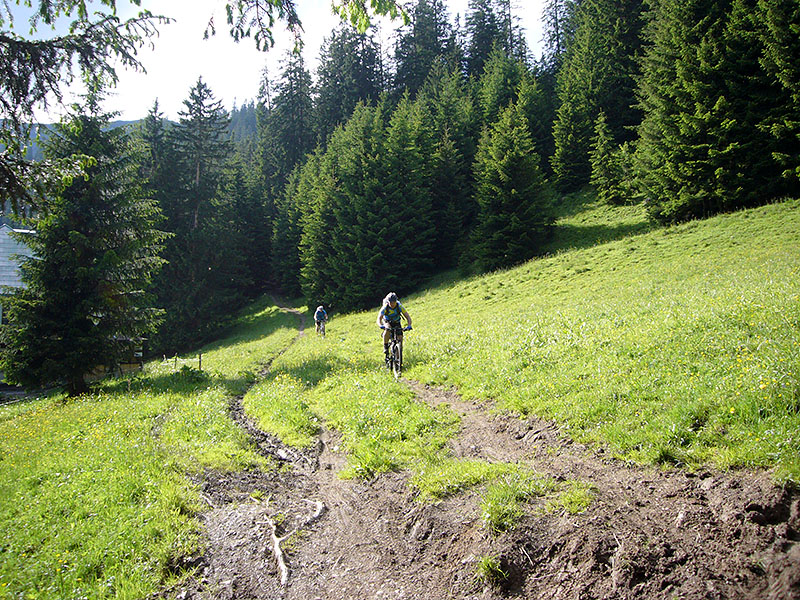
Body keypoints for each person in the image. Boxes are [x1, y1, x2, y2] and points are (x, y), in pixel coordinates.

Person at [376, 292, 412, 366]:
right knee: (388, 329)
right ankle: (385, 347)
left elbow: (407, 317)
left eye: (394, 302)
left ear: (396, 301)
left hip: (396, 321)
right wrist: (381, 325)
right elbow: (379, 318)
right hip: (387, 321)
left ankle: (398, 360)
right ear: (388, 302)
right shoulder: (385, 307)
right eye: (391, 302)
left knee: (400, 338)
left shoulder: (399, 306)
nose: (392, 304)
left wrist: (409, 325)